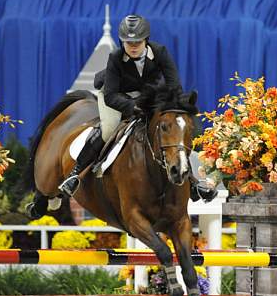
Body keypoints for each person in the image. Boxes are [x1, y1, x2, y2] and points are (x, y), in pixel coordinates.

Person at [59, 14, 217, 202]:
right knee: (109, 127)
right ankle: (75, 174)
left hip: (145, 95)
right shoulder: (115, 57)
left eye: (137, 42)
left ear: (146, 41)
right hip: (114, 95)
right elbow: (111, 96)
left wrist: (173, 106)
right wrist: (134, 108)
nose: (133, 46)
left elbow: (174, 86)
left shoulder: (160, 52)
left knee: (172, 128)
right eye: (128, 42)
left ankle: (192, 184)